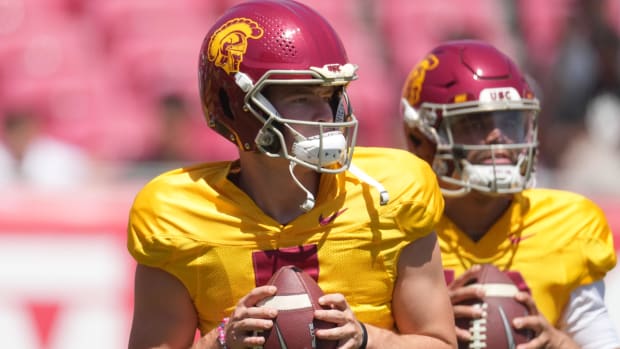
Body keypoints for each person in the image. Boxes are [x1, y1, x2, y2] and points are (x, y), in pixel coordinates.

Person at [127, 1, 457, 348]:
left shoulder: (391, 194)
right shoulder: (176, 216)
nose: (324, 115)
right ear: (236, 106)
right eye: (301, 98)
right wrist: (221, 342)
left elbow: (439, 342)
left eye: (329, 95)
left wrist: (366, 338)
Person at [400, 39, 619, 348]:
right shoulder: (395, 225)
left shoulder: (569, 224)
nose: (498, 136)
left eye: (510, 121)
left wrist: (555, 342)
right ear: (419, 138)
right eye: (474, 122)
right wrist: (424, 324)